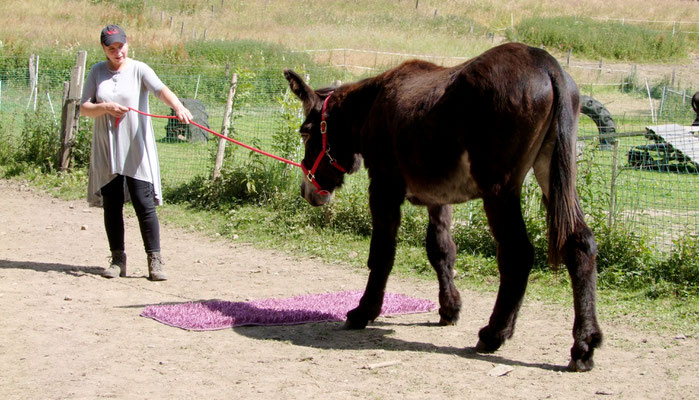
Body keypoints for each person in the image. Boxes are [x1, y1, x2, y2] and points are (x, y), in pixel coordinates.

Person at [80, 24, 193, 281]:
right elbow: (84, 107)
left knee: (144, 203)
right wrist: (105, 107)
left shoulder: (139, 69)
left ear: (127, 44)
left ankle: (155, 260)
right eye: (111, 49)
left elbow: (160, 89)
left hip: (136, 146)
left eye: (121, 47)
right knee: (112, 204)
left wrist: (177, 106)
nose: (117, 52)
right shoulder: (97, 71)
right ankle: (118, 259)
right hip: (108, 147)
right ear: (103, 49)